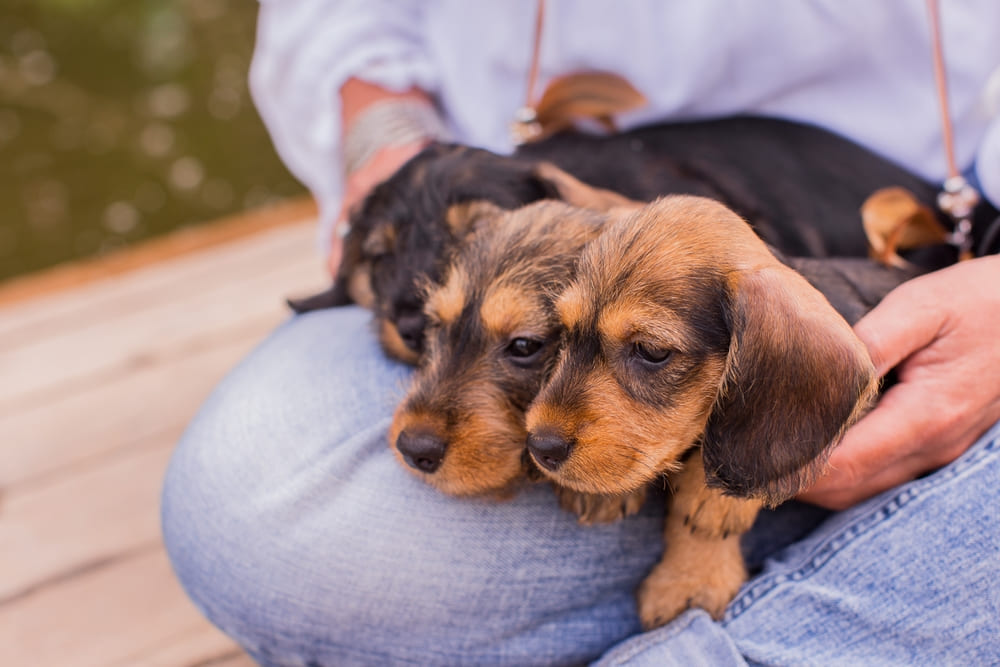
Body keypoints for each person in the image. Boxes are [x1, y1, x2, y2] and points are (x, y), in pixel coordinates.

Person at [162, 2, 1000, 664]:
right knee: (255, 521)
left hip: (943, 238)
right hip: (534, 214)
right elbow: (343, 22)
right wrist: (392, 149)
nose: (540, 428)